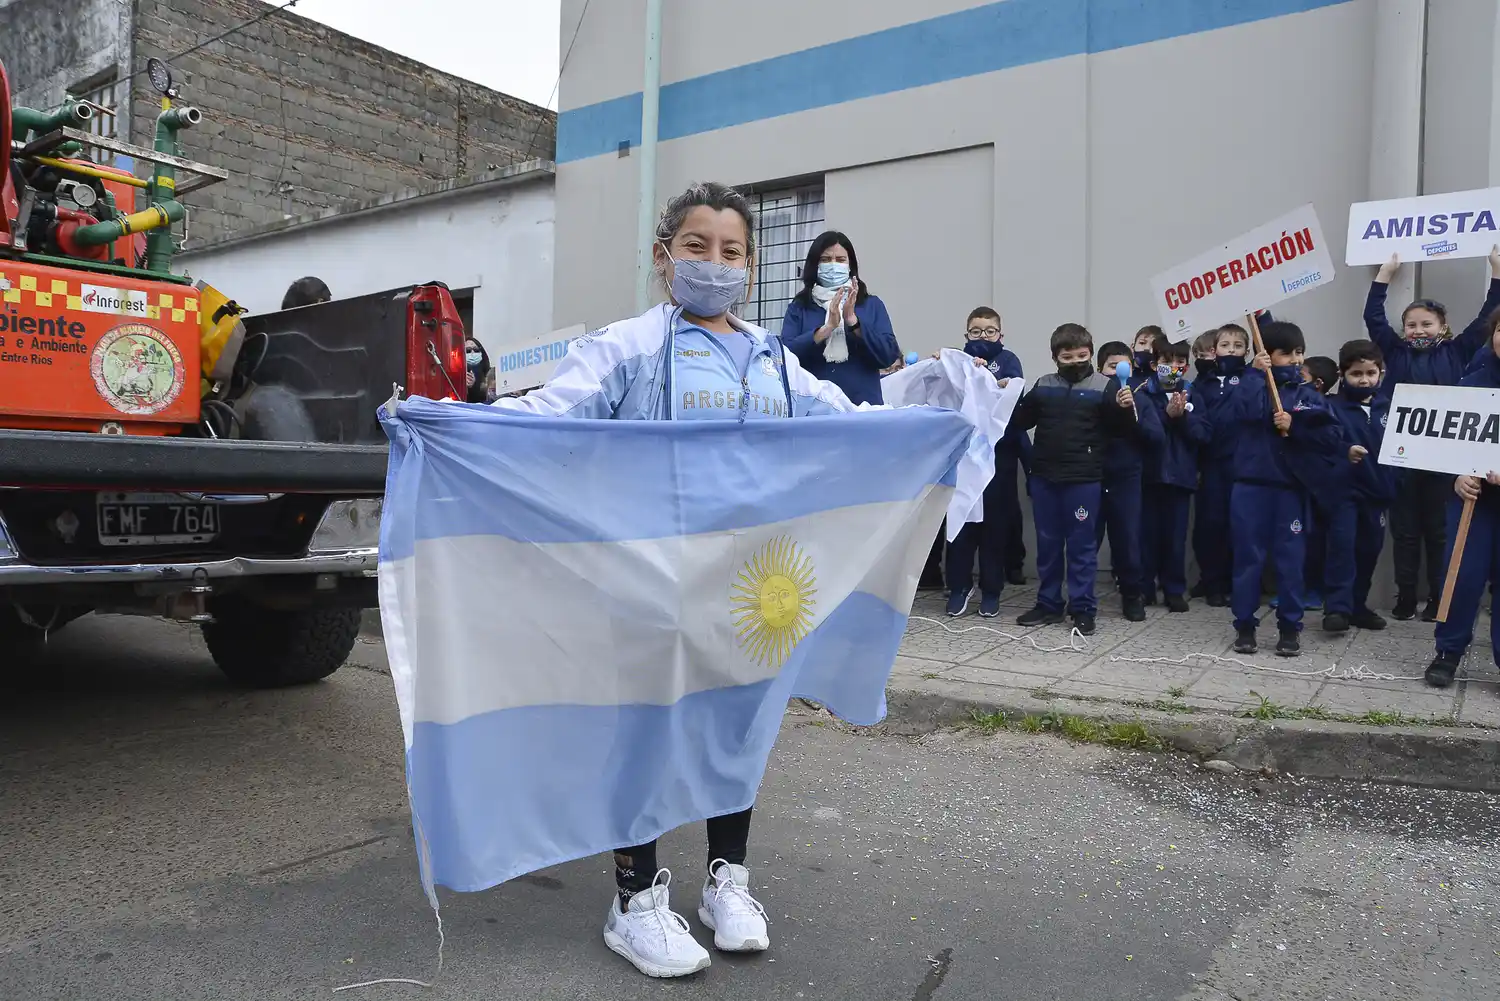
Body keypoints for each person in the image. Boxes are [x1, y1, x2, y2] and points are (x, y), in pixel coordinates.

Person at [488, 181, 871, 978]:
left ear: (751, 265)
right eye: (697, 246)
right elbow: (552, 416)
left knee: (739, 726)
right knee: (648, 734)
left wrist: (936, 411)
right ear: (665, 257)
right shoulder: (627, 346)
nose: (714, 264)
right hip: (651, 583)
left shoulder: (775, 359)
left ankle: (726, 880)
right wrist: (454, 418)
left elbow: (850, 425)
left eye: (731, 251)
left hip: (753, 591)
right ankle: (634, 901)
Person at [1365, 248, 1500, 621]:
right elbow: (1373, 317)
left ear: (1442, 326)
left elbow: (1490, 314)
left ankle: (1440, 598)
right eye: (1412, 325)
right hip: (1406, 459)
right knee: (1406, 532)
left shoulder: (1459, 351)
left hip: (1446, 464)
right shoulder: (1394, 352)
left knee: (1442, 532)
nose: (1418, 331)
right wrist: (1385, 274)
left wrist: (1497, 271)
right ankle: (1405, 598)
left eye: (1427, 324)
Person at [1223, 321, 1343, 657]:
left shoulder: (1307, 395)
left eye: (1299, 352)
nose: (1294, 358)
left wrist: (1297, 425)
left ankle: (1290, 628)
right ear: (1267, 356)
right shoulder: (1250, 385)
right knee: (1248, 559)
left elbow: (1331, 439)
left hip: (1290, 491)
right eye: (1285, 353)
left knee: (1291, 561)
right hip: (1250, 488)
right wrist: (1253, 375)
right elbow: (1239, 413)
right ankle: (1244, 626)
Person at [1009, 323, 1135, 635]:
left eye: (1083, 355)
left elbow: (1121, 430)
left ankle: (1083, 608)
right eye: (1068, 357)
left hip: (1084, 480)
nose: (1077, 361)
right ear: (1055, 358)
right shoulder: (1044, 384)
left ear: (1091, 353)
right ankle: (1048, 604)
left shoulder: (1105, 386)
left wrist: (1122, 409)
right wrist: (1009, 395)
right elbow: (1021, 421)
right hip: (1045, 478)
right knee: (1048, 544)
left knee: (1081, 547)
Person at [1427, 309, 1500, 687]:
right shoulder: (1469, 386)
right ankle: (1448, 652)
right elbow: (1441, 445)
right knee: (1461, 576)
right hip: (1473, 502)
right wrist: (1456, 476)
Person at [945, 307, 1025, 617]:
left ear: (1000, 335)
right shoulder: (958, 361)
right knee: (961, 527)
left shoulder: (1008, 360)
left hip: (997, 463)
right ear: (966, 334)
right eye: (976, 331)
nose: (983, 336)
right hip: (963, 462)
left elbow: (1014, 393)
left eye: (990, 331)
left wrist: (991, 380)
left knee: (994, 530)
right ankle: (958, 588)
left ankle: (992, 590)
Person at [1321, 340, 1395, 633]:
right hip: (1344, 493)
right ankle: (1337, 609)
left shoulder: (1389, 407)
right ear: (1342, 374)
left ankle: (1357, 607)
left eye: (1370, 373)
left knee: (1369, 550)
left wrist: (1394, 481)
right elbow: (1322, 443)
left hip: (1378, 494)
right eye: (1356, 374)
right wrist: (1344, 451)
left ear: (1381, 372)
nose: (1364, 379)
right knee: (1342, 548)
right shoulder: (1330, 407)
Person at [779, 231, 901, 405]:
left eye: (840, 260)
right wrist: (826, 329)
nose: (833, 265)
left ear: (850, 265)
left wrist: (853, 322)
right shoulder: (800, 307)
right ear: (815, 265)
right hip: (814, 409)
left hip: (863, 409)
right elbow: (785, 357)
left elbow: (888, 355)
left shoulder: (871, 305)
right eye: (826, 260)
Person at [1139, 338, 1212, 611]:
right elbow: (1141, 432)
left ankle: (1174, 590)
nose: (1173, 367)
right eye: (1166, 362)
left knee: (1174, 539)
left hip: (1180, 477)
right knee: (1146, 536)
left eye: (1180, 362)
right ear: (1154, 364)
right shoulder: (1143, 393)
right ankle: (1144, 588)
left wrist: (1182, 418)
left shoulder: (1193, 394)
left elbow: (1204, 434)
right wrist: (1166, 416)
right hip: (1149, 476)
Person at [1093, 341, 1162, 621]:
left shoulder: (1141, 399)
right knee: (1087, 540)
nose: (1117, 372)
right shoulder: (1092, 396)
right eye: (1111, 366)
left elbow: (1157, 439)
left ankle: (1132, 595)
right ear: (1100, 370)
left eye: (1123, 366)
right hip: (1093, 477)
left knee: (1128, 540)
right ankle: (1080, 597)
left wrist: (1132, 415)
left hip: (1127, 477)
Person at [1191, 323, 1250, 606]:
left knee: (1238, 524)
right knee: (1210, 523)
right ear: (1214, 351)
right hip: (1212, 463)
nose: (1231, 351)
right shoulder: (1203, 384)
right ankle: (1210, 580)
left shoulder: (1252, 377)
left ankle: (1235, 581)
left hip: (1243, 463)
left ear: (1247, 351)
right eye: (1225, 346)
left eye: (1238, 346)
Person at [1298, 355, 1340, 611]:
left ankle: (1315, 589)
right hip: (1297, 482)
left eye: (1301, 376)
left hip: (1320, 485)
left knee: (1316, 541)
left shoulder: (1323, 409)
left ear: (1318, 384)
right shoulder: (1291, 400)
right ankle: (1296, 587)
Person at [464, 336, 493, 404]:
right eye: (468, 351)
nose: (472, 353)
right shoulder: (459, 376)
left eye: (476, 350)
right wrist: (470, 387)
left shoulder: (490, 374)